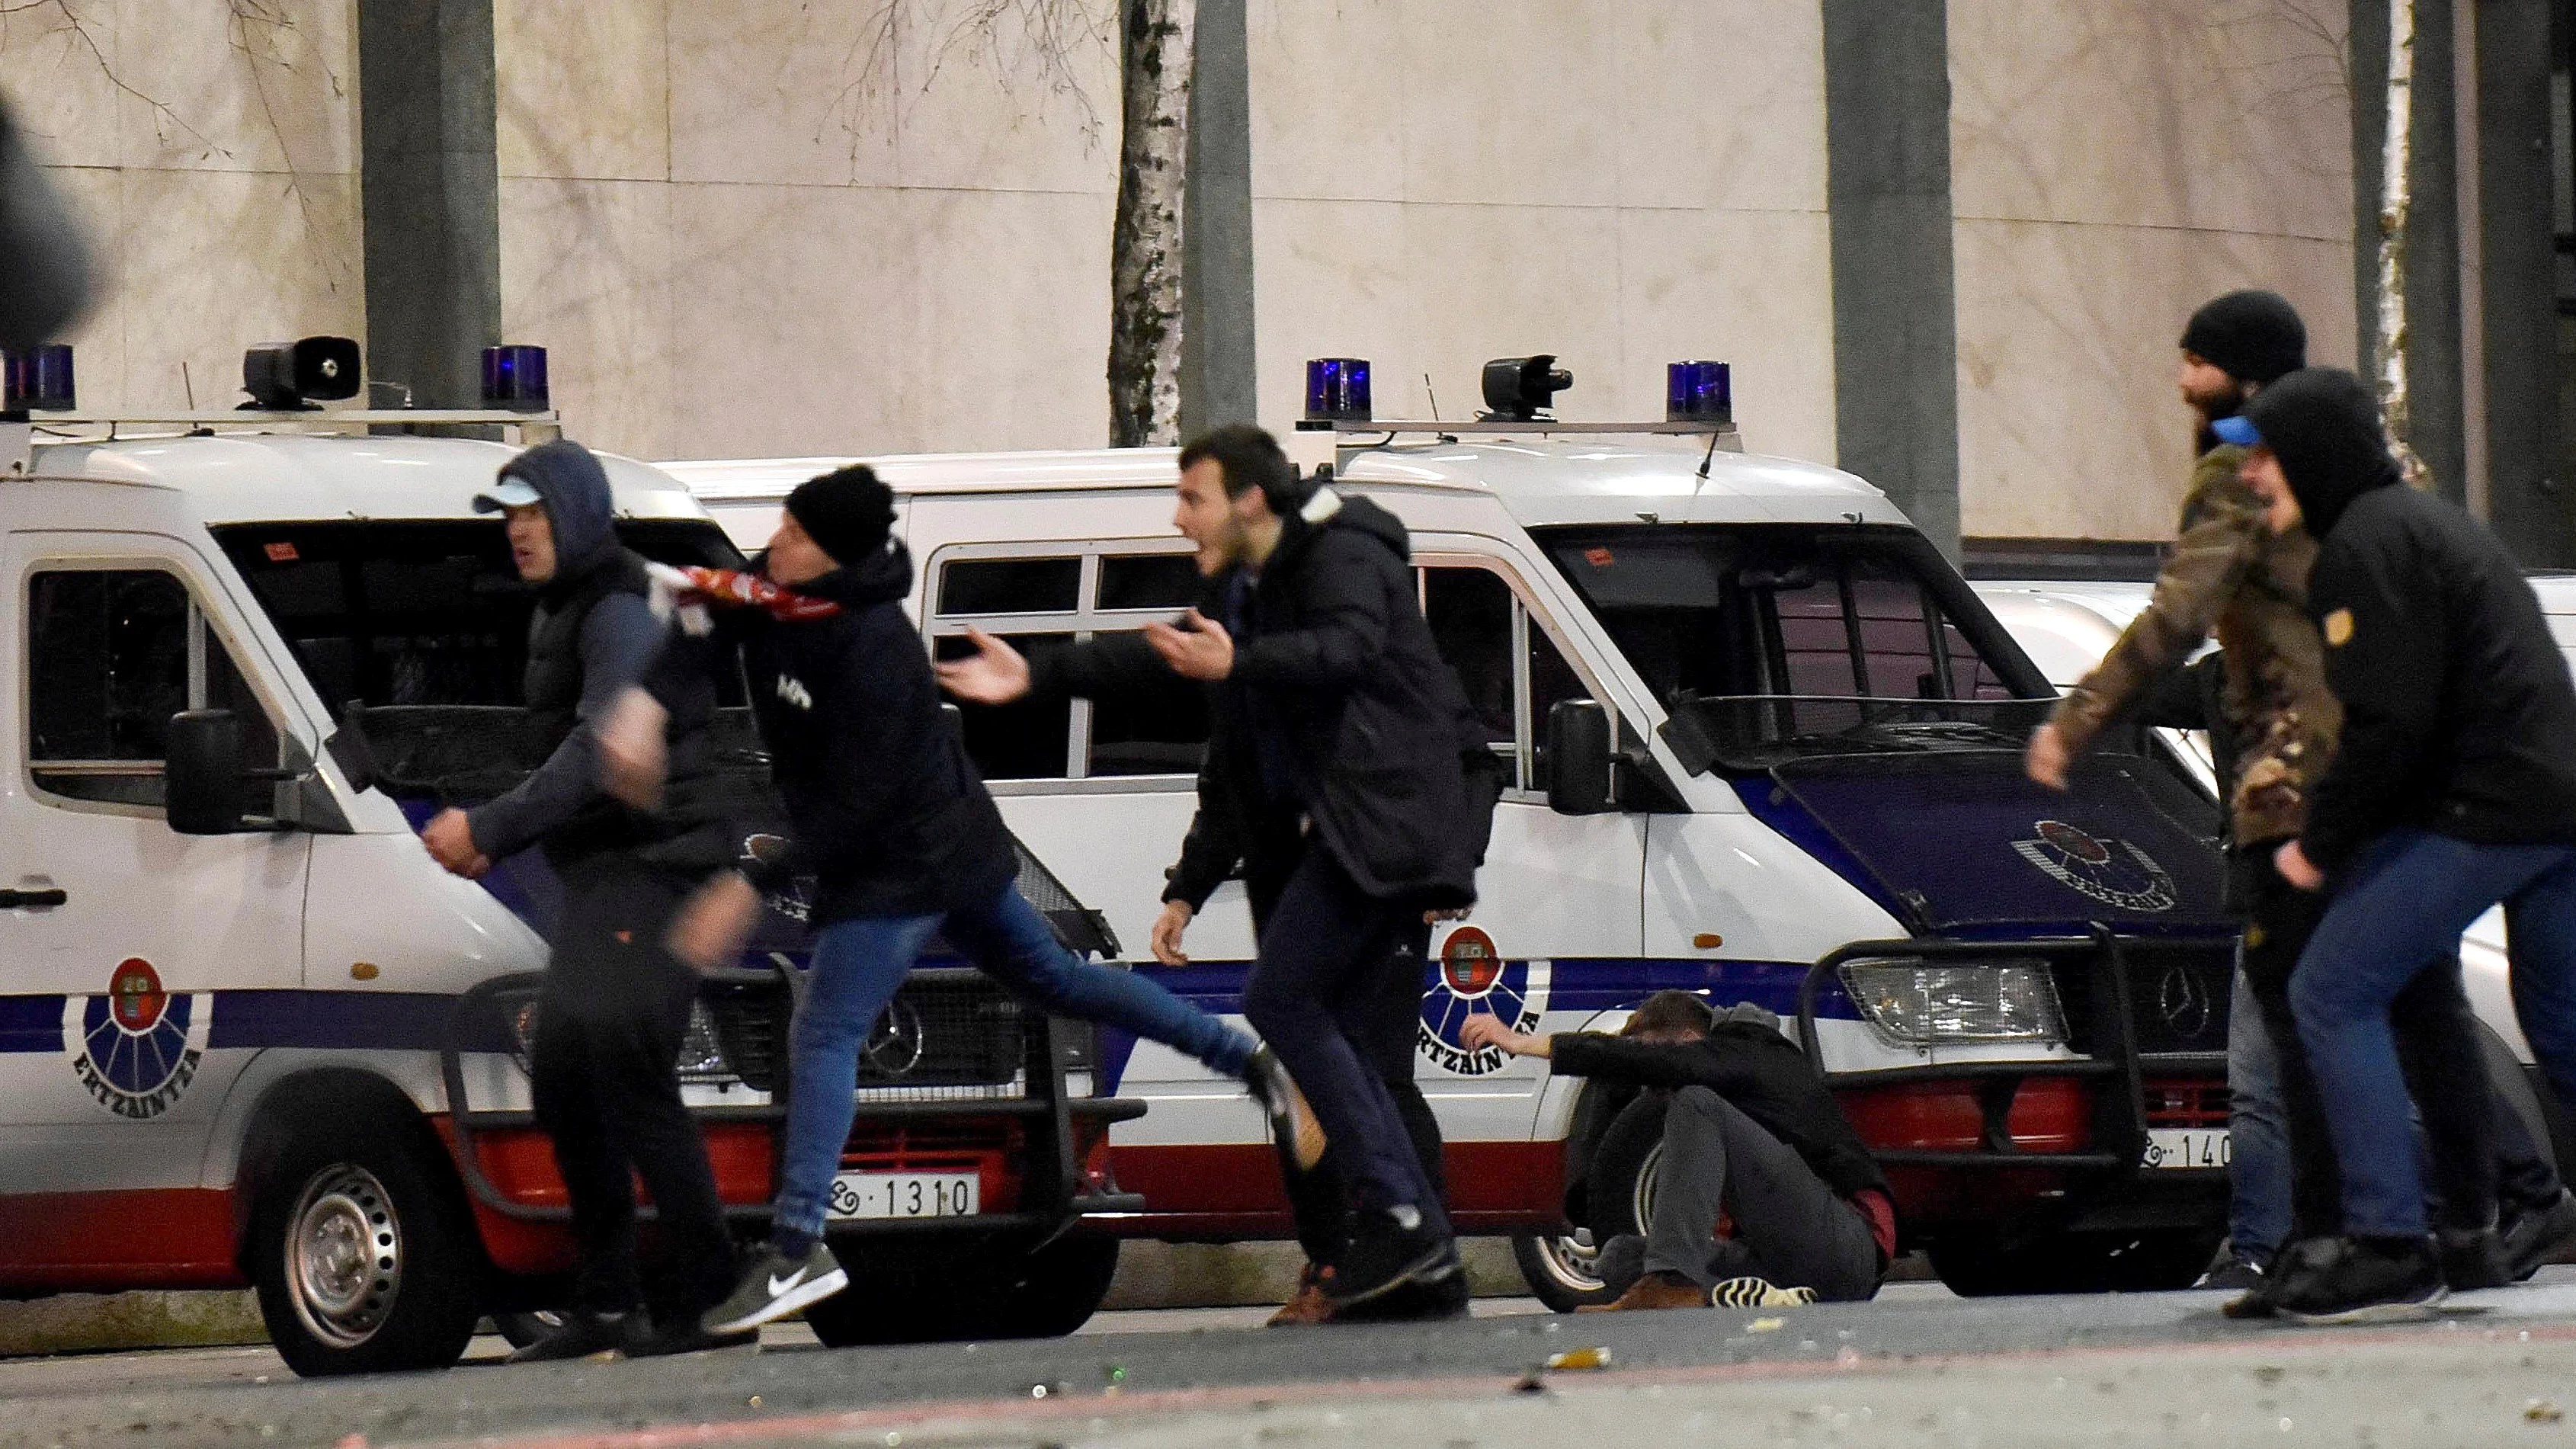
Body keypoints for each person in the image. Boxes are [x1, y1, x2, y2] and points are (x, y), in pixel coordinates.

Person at [603, 465, 1290, 1338]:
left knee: (825, 1029)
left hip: (910, 857)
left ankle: (796, 1246)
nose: (775, 538)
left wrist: (753, 882)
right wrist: (643, 706)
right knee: (1054, 978)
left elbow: (864, 804)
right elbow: (703, 623)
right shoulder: (778, 590)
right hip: (934, 846)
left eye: (793, 529)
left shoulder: (873, 647)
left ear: (832, 552)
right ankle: (1244, 1061)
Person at [2023, 294, 2553, 1309]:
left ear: (2244, 381)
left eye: (2195, 362)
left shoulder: (2241, 474)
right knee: (2413, 1001)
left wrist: (2078, 719)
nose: (2180, 380)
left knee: (2302, 1009)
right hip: (2380, 777)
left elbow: (2182, 612)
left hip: (2297, 781)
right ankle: (2482, 1219)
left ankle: (2329, 1240)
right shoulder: (2379, 478)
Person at [938, 425, 1490, 1314]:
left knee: (1283, 1001)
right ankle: (1421, 1253)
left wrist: (1241, 659)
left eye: (1191, 495)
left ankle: (1402, 1219)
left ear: (1249, 499)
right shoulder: (1247, 586)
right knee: (1330, 1036)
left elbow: (1346, 648)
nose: (1176, 514)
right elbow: (1170, 664)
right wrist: (1037, 674)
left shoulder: (1343, 554)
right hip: (1339, 833)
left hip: (1384, 825)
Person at [2229, 366, 2576, 1322]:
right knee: (2562, 1035)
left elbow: (2389, 725)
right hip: (2551, 805)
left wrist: (2319, 842)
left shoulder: (2361, 547)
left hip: (2486, 809)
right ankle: (2465, 1225)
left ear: (2309, 456)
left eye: (2262, 455)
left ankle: (2386, 1240)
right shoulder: (2430, 522)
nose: (2250, 475)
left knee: (2330, 988)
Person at [421, 440, 739, 1361]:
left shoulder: (616, 609)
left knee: (629, 1074)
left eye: (532, 513)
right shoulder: (567, 608)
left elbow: (600, 748)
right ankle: (607, 1303)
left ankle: (714, 1297)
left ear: (577, 513)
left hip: (657, 871)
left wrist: (490, 826)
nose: (517, 532)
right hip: (611, 877)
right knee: (567, 1075)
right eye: (508, 516)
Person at [1154, 721, 1495, 1323]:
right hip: (1294, 906)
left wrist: (1457, 860)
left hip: (1379, 889)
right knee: (1298, 1081)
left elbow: (1474, 765)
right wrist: (1184, 895)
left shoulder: (1363, 645)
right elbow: (1227, 792)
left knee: (1375, 1070)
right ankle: (1340, 1262)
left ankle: (1413, 1250)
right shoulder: (1243, 670)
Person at [1463, 992, 1892, 1308]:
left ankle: (1673, 1281)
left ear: (1690, 1039)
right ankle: (1724, 1294)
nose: (1656, 1089)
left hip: (1848, 1251)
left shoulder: (1749, 1050)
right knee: (1622, 1257)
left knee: (1694, 1101)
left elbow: (1661, 1065)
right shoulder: (1726, 1083)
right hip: (1783, 1262)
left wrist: (1526, 1043)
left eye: (1656, 1058)